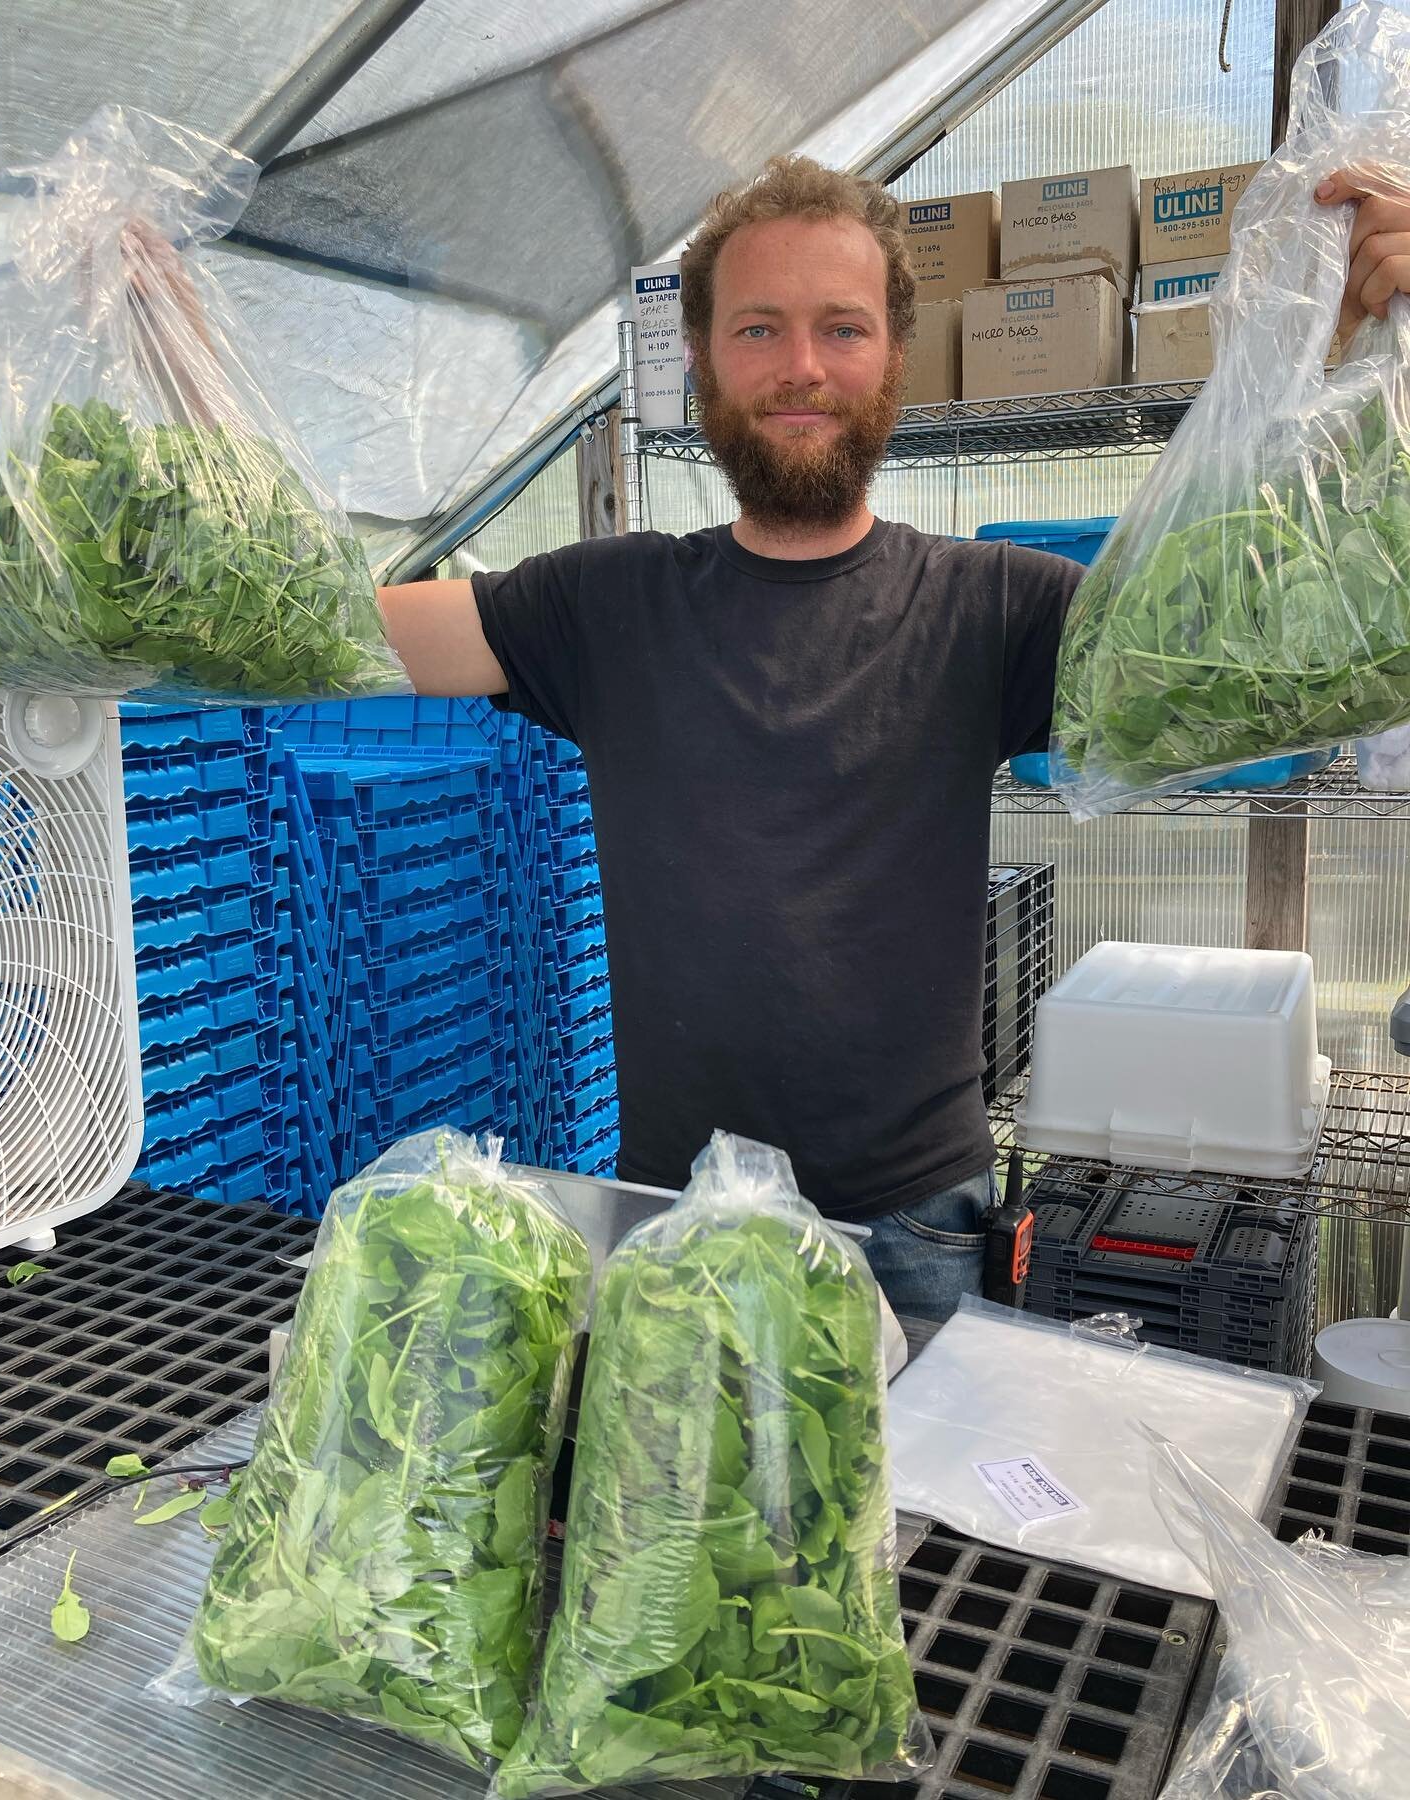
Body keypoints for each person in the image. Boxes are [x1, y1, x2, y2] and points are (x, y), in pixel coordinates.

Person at [377, 158, 1410, 1324]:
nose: (802, 367)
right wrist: (164, 361)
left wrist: (1371, 361)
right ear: (703, 357)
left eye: (842, 328)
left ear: (894, 359)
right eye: (759, 328)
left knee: (909, 1515)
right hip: (680, 1221)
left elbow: (1305, 644)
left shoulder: (994, 608)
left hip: (912, 1230)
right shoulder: (603, 608)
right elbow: (341, 634)